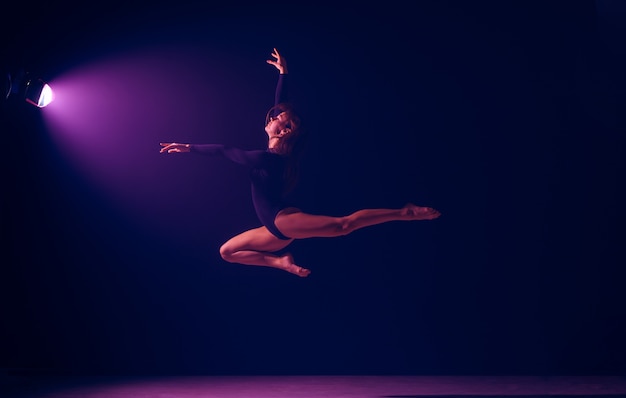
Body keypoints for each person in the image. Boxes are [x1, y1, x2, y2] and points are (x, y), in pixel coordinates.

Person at [160, 48, 441, 277]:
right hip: (274, 232)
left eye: (277, 121)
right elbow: (281, 105)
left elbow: (224, 150)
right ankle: (281, 263)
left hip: (282, 222)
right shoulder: (278, 154)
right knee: (227, 252)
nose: (271, 119)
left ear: (283, 132)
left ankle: (404, 212)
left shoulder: (268, 160)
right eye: (273, 117)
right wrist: (284, 74)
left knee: (342, 226)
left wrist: (189, 147)